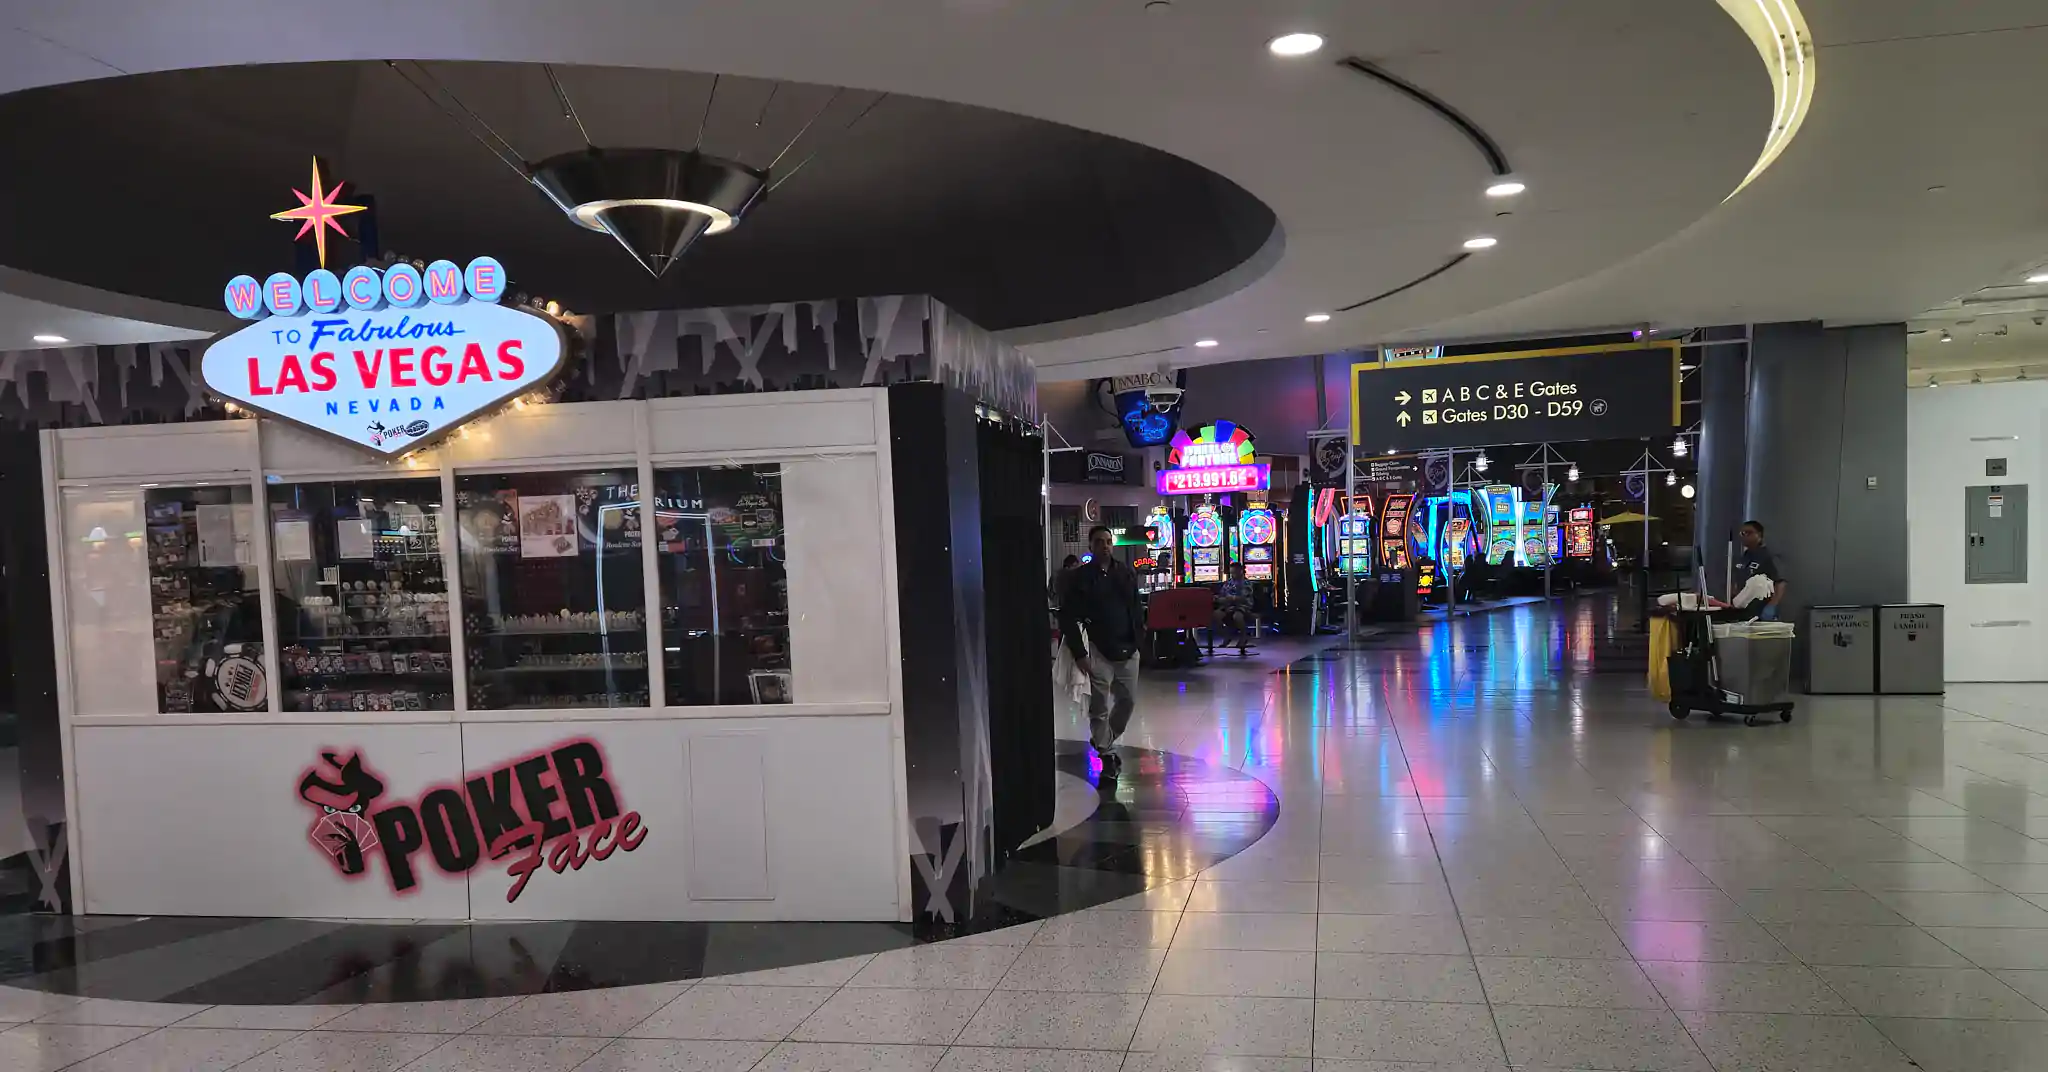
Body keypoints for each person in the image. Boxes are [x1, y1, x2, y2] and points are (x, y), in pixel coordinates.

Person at [1058, 525, 1142, 775]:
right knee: (1099, 706)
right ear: (1090, 546)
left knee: (1127, 701)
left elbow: (1136, 609)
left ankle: (1105, 738)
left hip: (1128, 649)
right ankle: (1106, 753)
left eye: (1108, 542)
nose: (1104, 546)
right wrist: (1080, 654)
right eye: (1098, 542)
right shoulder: (1079, 579)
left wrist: (1139, 641)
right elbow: (1068, 617)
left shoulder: (1125, 573)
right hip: (1096, 649)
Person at [1736, 520, 1788, 619]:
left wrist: (1772, 606)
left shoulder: (1769, 555)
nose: (1745, 536)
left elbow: (1781, 583)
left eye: (1749, 533)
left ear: (1759, 534)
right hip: (1744, 609)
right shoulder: (1745, 556)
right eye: (1742, 533)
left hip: (1762, 609)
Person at [1213, 563, 1254, 651]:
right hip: (1228, 605)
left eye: (1234, 573)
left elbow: (1243, 599)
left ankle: (1244, 637)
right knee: (1216, 615)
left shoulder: (1246, 583)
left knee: (1237, 616)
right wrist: (1218, 598)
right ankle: (1227, 635)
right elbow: (1222, 594)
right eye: (1232, 573)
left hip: (1243, 606)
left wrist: (1230, 599)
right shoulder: (1228, 582)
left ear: (1241, 571)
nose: (1233, 575)